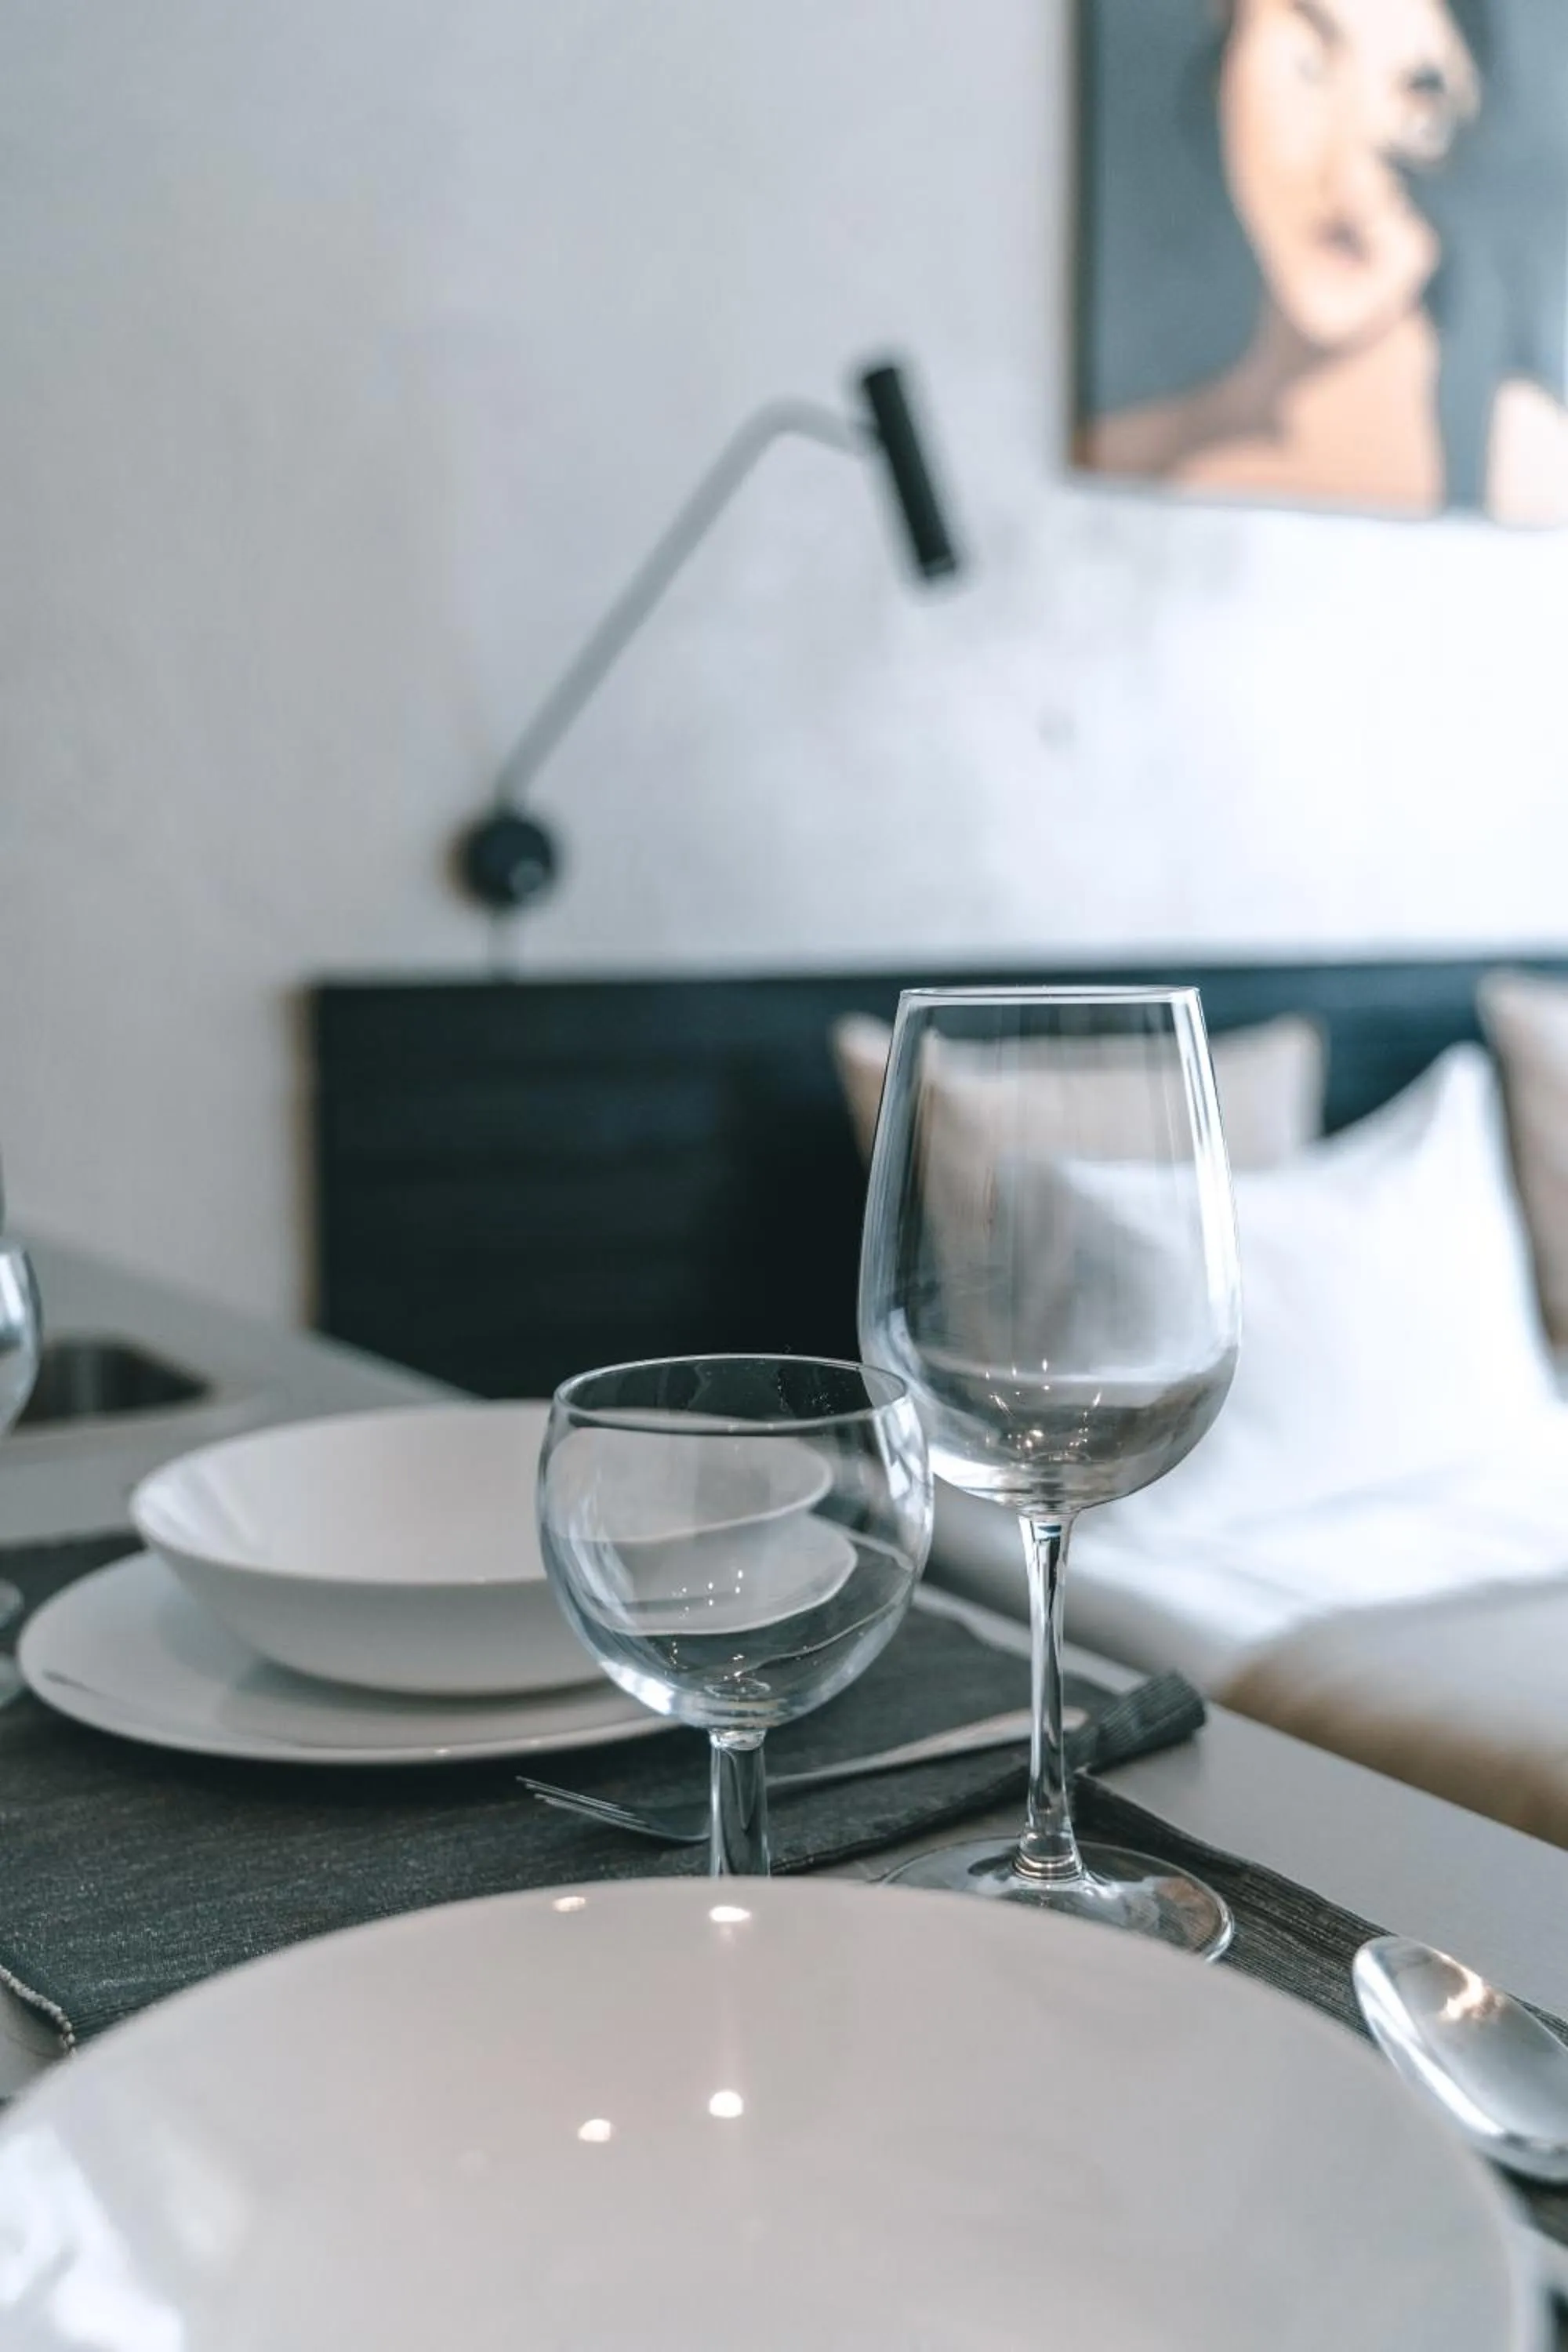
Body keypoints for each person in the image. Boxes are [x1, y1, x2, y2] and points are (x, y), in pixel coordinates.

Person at [1078, 0, 1568, 522]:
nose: (1349, 178)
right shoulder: (1153, 443)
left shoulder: (1519, 445)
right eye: (1310, 68)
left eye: (1422, 103)